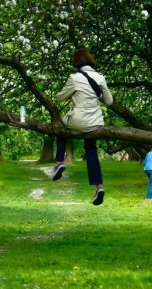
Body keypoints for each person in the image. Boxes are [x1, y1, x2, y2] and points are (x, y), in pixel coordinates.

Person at [53, 48, 113, 206]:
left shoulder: (74, 78)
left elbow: (60, 98)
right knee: (91, 151)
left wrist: (72, 93)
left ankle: (60, 161)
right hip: (95, 123)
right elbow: (109, 101)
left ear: (76, 62)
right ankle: (98, 186)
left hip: (78, 121)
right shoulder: (100, 77)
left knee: (61, 128)